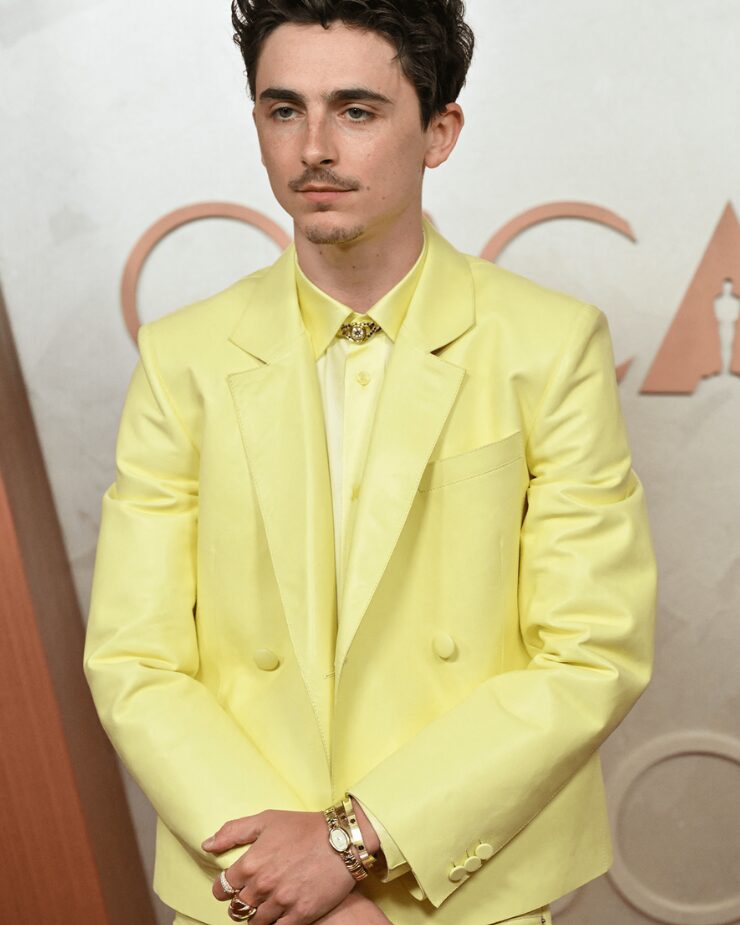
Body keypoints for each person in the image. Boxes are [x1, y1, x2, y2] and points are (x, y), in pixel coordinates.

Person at [83, 2, 657, 924]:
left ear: (439, 131)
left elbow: (592, 651)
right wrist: (286, 876)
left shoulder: (548, 345)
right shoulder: (182, 355)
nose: (313, 146)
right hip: (246, 886)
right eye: (283, 109)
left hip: (467, 880)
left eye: (356, 110)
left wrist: (353, 845)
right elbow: (135, 658)